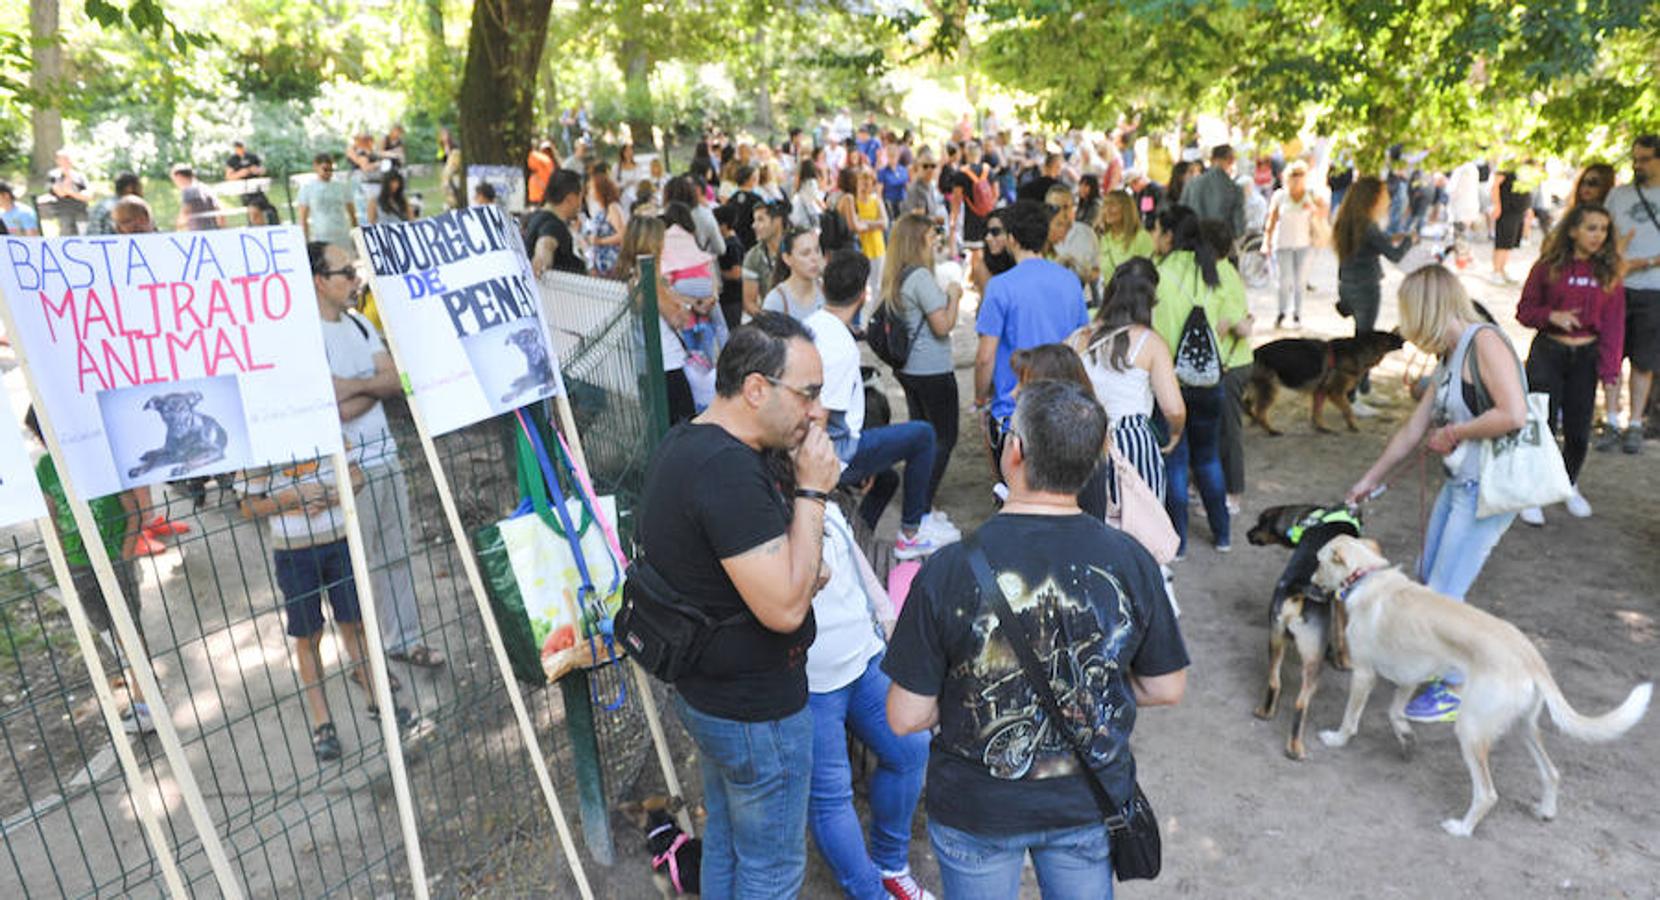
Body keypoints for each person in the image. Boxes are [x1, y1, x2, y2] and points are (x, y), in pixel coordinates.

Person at [884, 379, 1189, 898]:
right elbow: (1166, 687)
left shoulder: (947, 570)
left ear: (1015, 451)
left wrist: (966, 700)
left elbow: (906, 715)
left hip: (977, 808)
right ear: (1095, 460)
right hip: (1087, 800)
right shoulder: (1132, 560)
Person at [637, 313, 837, 898]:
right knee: (772, 870)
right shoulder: (727, 473)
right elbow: (784, 609)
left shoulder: (688, 441)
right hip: (756, 716)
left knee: (725, 839)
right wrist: (813, 490)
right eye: (808, 394)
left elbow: (760, 572)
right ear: (756, 388)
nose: (817, 412)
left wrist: (796, 569)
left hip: (709, 700)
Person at [1345, 265, 1527, 722]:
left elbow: (1514, 413)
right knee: (1428, 576)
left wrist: (1457, 432)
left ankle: (1456, 684)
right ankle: (1440, 667)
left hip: (1487, 489)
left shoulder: (1483, 342)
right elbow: (1412, 430)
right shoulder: (1450, 355)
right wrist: (1371, 479)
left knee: (1444, 592)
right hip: (1461, 481)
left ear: (1424, 310)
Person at [310, 241, 446, 674]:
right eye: (344, 272)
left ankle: (403, 638)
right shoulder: (308, 337)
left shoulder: (359, 326)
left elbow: (395, 381)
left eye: (354, 270)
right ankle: (367, 655)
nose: (354, 279)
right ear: (319, 281)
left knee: (397, 552)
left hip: (385, 457)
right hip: (347, 472)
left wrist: (353, 386)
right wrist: (370, 384)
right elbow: (328, 405)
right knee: (359, 564)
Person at [237, 442, 414, 762]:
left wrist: (331, 495)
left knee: (356, 624)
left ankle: (378, 700)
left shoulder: (321, 418)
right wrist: (288, 500)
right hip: (293, 552)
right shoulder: (258, 437)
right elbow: (248, 506)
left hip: (339, 542)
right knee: (308, 636)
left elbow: (356, 477)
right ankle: (323, 722)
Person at [805, 488, 933, 900]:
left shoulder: (821, 492)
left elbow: (850, 556)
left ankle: (890, 865)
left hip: (864, 655)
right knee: (830, 795)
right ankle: (869, 893)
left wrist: (887, 615)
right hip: (810, 682)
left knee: (911, 747)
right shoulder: (764, 501)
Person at [812, 249, 949, 559]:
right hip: (835, 451)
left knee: (887, 478)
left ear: (824, 288)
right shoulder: (840, 345)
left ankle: (855, 540)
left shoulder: (813, 324)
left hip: (837, 443)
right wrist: (817, 478)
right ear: (864, 294)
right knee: (923, 435)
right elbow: (820, 414)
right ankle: (911, 532)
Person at [29, 408, 154, 734]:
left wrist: (124, 556)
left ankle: (146, 700)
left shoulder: (97, 459)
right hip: (78, 563)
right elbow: (51, 515)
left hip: (113, 557)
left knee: (128, 625)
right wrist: (63, 558)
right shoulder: (44, 467)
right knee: (105, 626)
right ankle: (139, 682)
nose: (43, 442)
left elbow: (132, 512)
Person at [1511, 204, 1626, 526]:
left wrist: (1610, 370)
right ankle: (1530, 492)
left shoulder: (1609, 275)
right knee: (1540, 426)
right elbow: (1524, 311)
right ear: (1573, 230)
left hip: (1585, 358)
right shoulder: (1547, 267)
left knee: (1578, 430)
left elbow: (1615, 326)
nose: (1598, 236)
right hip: (1549, 352)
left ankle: (1567, 484)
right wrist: (1551, 316)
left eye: (1603, 229)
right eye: (1591, 228)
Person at [1152, 205, 1246, 555]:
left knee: (1175, 461)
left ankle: (1178, 542)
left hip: (1170, 382)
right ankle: (1222, 534)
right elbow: (1234, 320)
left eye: (1157, 230)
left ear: (1169, 235)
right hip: (1210, 381)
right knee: (1208, 458)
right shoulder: (1215, 272)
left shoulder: (1160, 275)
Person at [975, 200, 1091, 469]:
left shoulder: (1000, 286)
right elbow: (1080, 343)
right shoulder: (1070, 280)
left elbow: (984, 356)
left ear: (1012, 239)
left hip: (1014, 409)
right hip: (1064, 404)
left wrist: (980, 398)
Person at [1071, 257, 1186, 504]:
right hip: (1130, 440)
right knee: (1141, 525)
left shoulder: (1078, 338)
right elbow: (1174, 408)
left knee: (1093, 521)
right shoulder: (1151, 343)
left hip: (1082, 441)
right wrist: (1175, 433)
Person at [884, 214, 962, 509]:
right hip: (933, 369)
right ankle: (920, 503)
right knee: (944, 436)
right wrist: (953, 296)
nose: (936, 242)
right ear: (918, 241)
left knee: (922, 432)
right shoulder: (920, 277)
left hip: (909, 368)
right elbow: (942, 325)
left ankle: (916, 495)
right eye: (931, 237)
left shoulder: (897, 275)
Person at [1601, 134, 1660, 454]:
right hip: (1616, 287)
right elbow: (1602, 233)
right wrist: (1616, 258)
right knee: (1610, 356)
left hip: (1653, 287)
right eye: (1635, 159)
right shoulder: (1618, 195)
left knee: (1643, 359)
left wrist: (1643, 262)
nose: (1638, 165)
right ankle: (1610, 420)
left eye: (1645, 159)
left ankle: (1634, 423)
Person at [1334, 175, 1413, 408]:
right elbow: (1395, 256)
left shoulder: (1348, 220)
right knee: (1364, 343)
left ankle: (1363, 389)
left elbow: (1373, 244)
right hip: (1366, 287)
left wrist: (1392, 238)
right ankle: (1353, 395)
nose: (1387, 200)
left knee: (1362, 337)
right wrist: (1409, 239)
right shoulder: (1368, 225)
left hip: (1348, 285)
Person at [618, 216, 699, 424]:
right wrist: (686, 307)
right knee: (682, 425)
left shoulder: (629, 276)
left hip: (648, 365)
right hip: (666, 364)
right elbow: (678, 318)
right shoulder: (648, 280)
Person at [1262, 160, 1323, 328]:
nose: (1297, 180)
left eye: (1300, 176)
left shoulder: (1310, 195)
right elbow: (1272, 219)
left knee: (1300, 281)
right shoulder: (1280, 196)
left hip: (1304, 244)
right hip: (1282, 244)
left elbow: (1323, 213)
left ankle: (1297, 314)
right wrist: (1266, 241)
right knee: (1284, 280)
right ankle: (1281, 312)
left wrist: (1313, 209)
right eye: (1294, 177)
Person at [526, 170, 587, 277]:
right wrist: (541, 259)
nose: (581, 204)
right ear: (570, 198)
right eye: (581, 197)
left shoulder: (534, 218)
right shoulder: (555, 226)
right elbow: (546, 242)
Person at [1047, 184, 1101, 303]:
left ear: (1074, 208)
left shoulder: (1086, 232)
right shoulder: (1040, 235)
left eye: (1066, 207)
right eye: (1056, 208)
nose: (1062, 213)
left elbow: (1097, 270)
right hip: (1049, 301)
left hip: (1083, 301)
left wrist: (1084, 274)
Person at [762, 226, 827, 321]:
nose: (814, 258)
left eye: (817, 251)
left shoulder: (827, 290)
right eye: (805, 253)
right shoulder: (776, 301)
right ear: (787, 258)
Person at [1182, 145, 1246, 241]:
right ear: (1231, 160)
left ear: (1212, 159)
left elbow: (1182, 211)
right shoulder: (1235, 189)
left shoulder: (1191, 184)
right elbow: (1239, 228)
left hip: (1193, 240)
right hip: (1221, 244)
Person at [297, 153, 358, 249]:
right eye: (325, 169)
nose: (329, 173)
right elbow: (303, 218)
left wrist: (357, 235)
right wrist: (305, 240)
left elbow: (352, 213)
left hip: (342, 235)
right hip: (321, 236)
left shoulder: (341, 186)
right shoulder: (307, 188)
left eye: (331, 170)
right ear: (316, 167)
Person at [742, 199, 789, 318]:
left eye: (760, 219)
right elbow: (749, 303)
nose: (754, 226)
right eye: (754, 220)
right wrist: (770, 321)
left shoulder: (797, 247)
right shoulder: (754, 256)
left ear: (777, 221)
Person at [1490, 163, 1532, 283]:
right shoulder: (1507, 165)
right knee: (1502, 242)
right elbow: (1495, 186)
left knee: (1510, 243)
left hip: (1518, 210)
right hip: (1506, 209)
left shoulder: (1526, 166)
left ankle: (1502, 269)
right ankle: (1496, 271)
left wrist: (1528, 208)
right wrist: (1497, 205)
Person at [582, 163, 626, 276]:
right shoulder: (602, 210)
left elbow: (622, 235)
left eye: (592, 188)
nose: (590, 192)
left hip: (612, 262)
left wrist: (600, 241)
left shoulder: (612, 208)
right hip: (601, 264)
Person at [1098, 190, 1155, 276]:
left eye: (1112, 205)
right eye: (1105, 205)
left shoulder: (1141, 237)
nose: (1107, 210)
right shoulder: (1105, 239)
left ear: (1126, 209)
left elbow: (1150, 273)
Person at [853, 168, 890, 292]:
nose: (865, 186)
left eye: (868, 182)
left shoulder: (876, 201)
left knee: (876, 286)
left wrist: (866, 223)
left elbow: (884, 223)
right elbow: (854, 225)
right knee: (861, 286)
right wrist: (874, 224)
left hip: (877, 248)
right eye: (862, 182)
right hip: (860, 249)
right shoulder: (853, 202)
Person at [225, 141, 278, 225]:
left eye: (241, 147)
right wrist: (240, 173)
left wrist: (256, 170)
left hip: (257, 188)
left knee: (268, 209)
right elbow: (229, 177)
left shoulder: (252, 157)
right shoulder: (232, 160)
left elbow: (263, 170)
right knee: (253, 210)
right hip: (244, 190)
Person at [44, 151, 92, 236]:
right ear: (57, 161)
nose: (67, 161)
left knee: (85, 236)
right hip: (64, 214)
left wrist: (69, 192)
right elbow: (60, 193)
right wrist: (76, 193)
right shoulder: (53, 175)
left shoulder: (80, 176)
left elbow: (88, 196)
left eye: (68, 159)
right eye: (63, 159)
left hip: (82, 213)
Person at [171, 165, 223, 231]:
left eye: (174, 180)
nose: (175, 183)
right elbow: (219, 211)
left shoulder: (188, 190)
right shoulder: (206, 188)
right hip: (214, 231)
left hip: (199, 234)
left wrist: (177, 228)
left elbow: (184, 214)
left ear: (179, 177)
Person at [527, 140, 556, 206]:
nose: (547, 152)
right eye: (544, 150)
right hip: (539, 196)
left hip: (544, 196)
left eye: (548, 150)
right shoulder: (541, 160)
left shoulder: (551, 163)